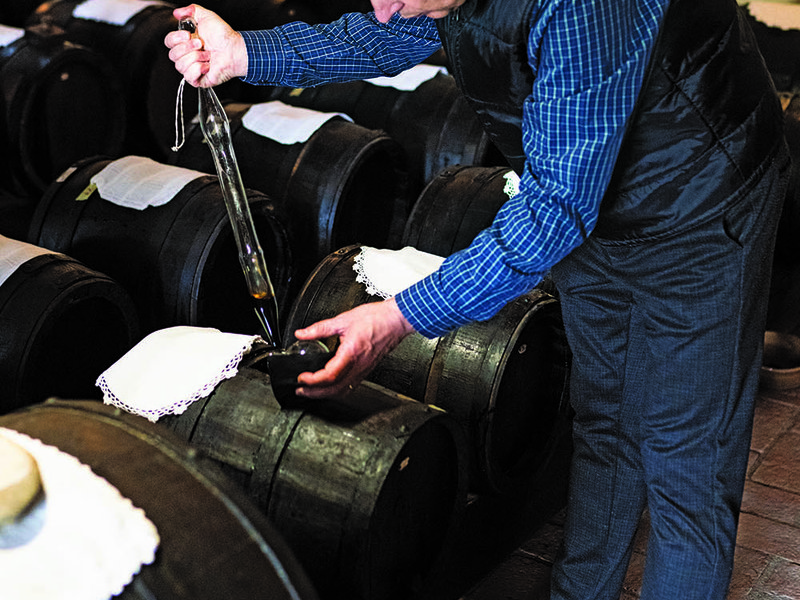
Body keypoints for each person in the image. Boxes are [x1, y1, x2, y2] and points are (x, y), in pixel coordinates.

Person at [165, 1, 791, 598]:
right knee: (606, 417)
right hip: (597, 205)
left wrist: (397, 317)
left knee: (687, 467)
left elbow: (554, 210)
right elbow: (385, 34)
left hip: (701, 206)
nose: (383, 6)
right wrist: (244, 52)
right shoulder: (432, 2)